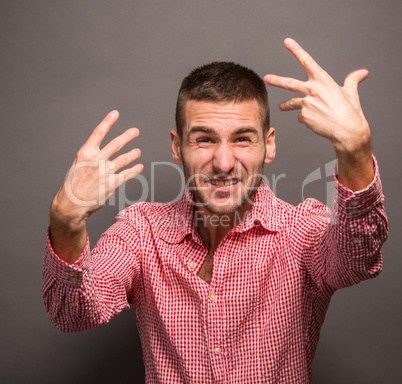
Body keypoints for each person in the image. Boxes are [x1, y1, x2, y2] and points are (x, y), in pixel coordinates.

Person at [42, 38, 388, 383]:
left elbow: (357, 260)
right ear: (178, 148)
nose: (223, 163)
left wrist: (356, 151)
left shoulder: (301, 231)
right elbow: (73, 313)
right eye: (205, 139)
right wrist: (65, 222)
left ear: (269, 145)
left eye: (242, 139)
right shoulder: (141, 231)